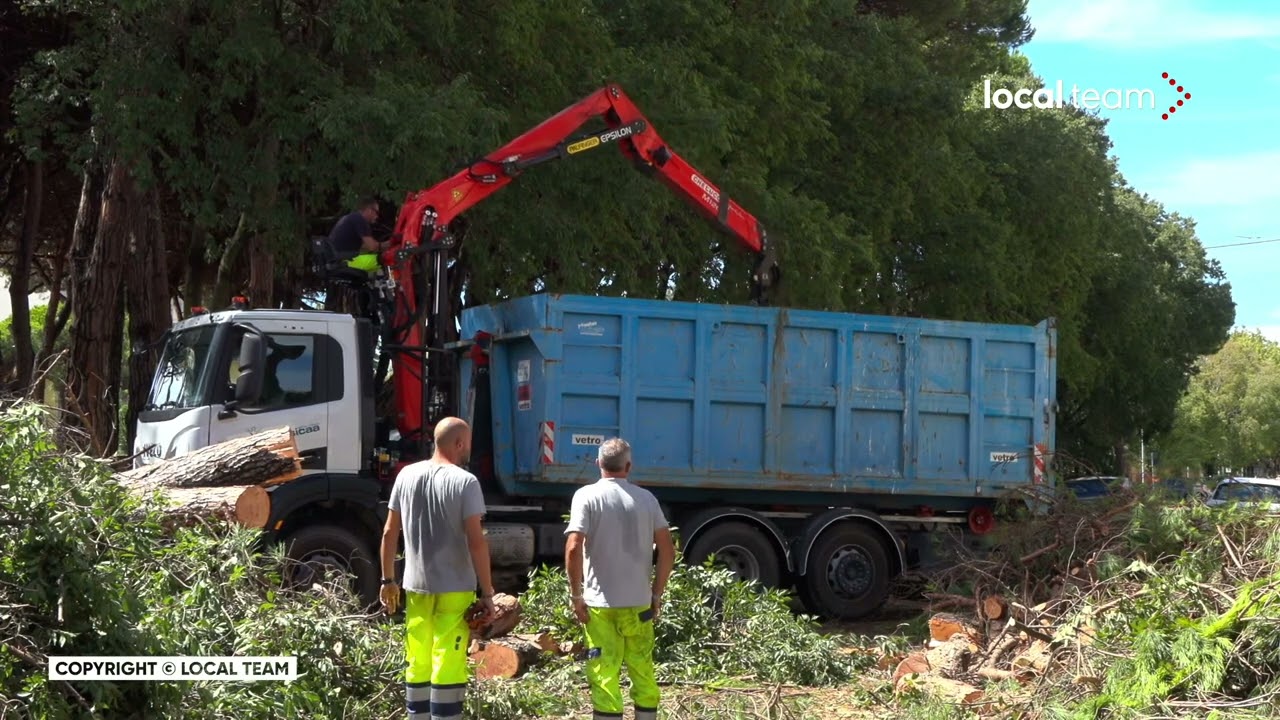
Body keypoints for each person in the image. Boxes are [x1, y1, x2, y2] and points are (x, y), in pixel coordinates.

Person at [379, 417, 496, 720]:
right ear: (459, 444)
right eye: (467, 442)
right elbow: (476, 542)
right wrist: (487, 592)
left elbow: (390, 532)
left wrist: (387, 579)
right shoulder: (465, 482)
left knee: (417, 655)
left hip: (415, 586)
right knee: (448, 657)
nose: (469, 448)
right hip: (456, 588)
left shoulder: (406, 475)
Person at [564, 438, 676, 720]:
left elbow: (574, 546)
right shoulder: (647, 499)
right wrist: (656, 595)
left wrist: (576, 596)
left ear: (598, 463)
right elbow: (667, 549)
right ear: (629, 466)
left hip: (600, 608)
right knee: (642, 669)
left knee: (604, 673)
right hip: (639, 607)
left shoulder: (586, 496)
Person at [328, 197, 389, 273]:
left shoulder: (350, 217)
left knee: (373, 264)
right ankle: (391, 284)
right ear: (370, 210)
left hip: (335, 261)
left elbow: (364, 247)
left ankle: (372, 283)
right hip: (345, 262)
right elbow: (373, 247)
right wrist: (391, 243)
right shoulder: (360, 219)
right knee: (384, 259)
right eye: (377, 212)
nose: (377, 216)